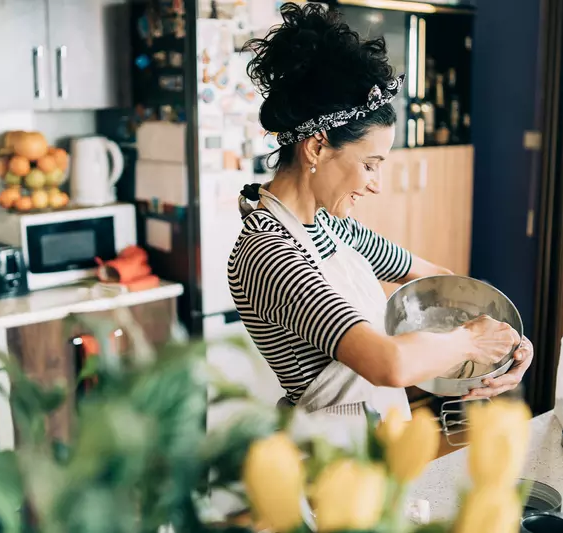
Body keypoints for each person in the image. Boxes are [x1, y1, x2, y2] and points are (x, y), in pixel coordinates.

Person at [228, 3, 534, 427]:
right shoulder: (267, 252)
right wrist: (468, 340)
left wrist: (507, 343)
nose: (376, 183)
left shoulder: (333, 227)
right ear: (315, 148)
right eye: (369, 164)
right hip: (327, 459)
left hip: (379, 441)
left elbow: (440, 286)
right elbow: (387, 363)